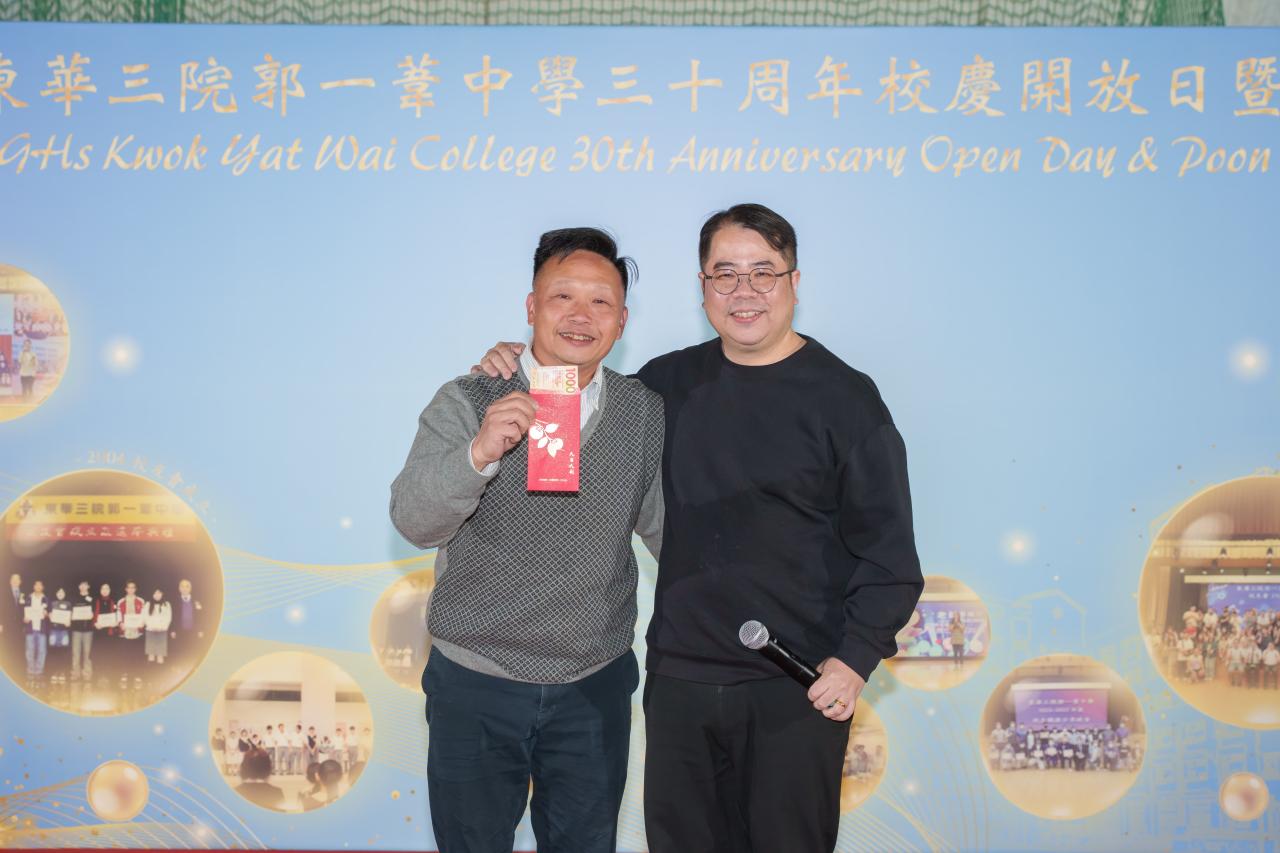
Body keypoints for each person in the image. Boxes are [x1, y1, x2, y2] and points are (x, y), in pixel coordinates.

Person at [477, 204, 922, 853]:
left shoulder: (847, 399)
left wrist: (855, 661)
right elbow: (574, 416)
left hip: (796, 682)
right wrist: (521, 362)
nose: (744, 291)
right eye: (725, 274)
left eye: (763, 272)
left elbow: (891, 558)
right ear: (703, 286)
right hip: (681, 682)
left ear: (794, 282)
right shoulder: (665, 385)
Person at [390, 227, 663, 853]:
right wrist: (480, 452)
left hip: (593, 683)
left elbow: (670, 533)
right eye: (563, 296)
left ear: (622, 321)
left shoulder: (644, 412)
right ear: (532, 306)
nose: (580, 315)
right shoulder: (469, 397)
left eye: (601, 301)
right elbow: (414, 520)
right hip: (475, 679)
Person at [168, 578, 205, 660]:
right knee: (180, 653)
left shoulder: (197, 601)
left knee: (193, 653)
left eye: (187, 586)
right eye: (182, 586)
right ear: (179, 588)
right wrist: (172, 630)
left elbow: (201, 617)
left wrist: (201, 630)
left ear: (190, 588)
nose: (184, 588)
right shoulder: (174, 601)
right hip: (179, 632)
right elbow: (172, 617)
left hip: (194, 632)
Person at [22, 580, 49, 685]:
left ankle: (39, 672)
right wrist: (24, 618)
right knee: (29, 651)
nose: (38, 587)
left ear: (43, 587)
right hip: (30, 628)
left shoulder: (46, 599)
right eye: (36, 585)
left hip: (42, 629)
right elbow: (23, 611)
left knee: (42, 651)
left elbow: (50, 613)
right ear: (33, 586)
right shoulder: (28, 598)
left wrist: (46, 614)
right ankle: (30, 671)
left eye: (40, 585)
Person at [70, 580, 95, 681]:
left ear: (88, 586)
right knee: (75, 653)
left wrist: (93, 615)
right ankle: (75, 673)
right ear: (79, 587)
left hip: (88, 630)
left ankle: (87, 673)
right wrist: (70, 617)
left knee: (87, 653)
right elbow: (70, 612)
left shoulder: (92, 599)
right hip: (76, 630)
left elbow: (96, 612)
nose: (83, 587)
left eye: (85, 585)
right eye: (81, 585)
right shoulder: (74, 598)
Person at [144, 589, 171, 664]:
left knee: (160, 653)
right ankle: (150, 664)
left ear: (162, 594)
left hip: (162, 630)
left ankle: (160, 664)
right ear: (152, 594)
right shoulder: (148, 604)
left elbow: (168, 617)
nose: (157, 595)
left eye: (159, 593)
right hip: (150, 629)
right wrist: (151, 626)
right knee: (151, 652)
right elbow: (145, 616)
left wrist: (163, 627)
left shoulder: (166, 604)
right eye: (155, 593)